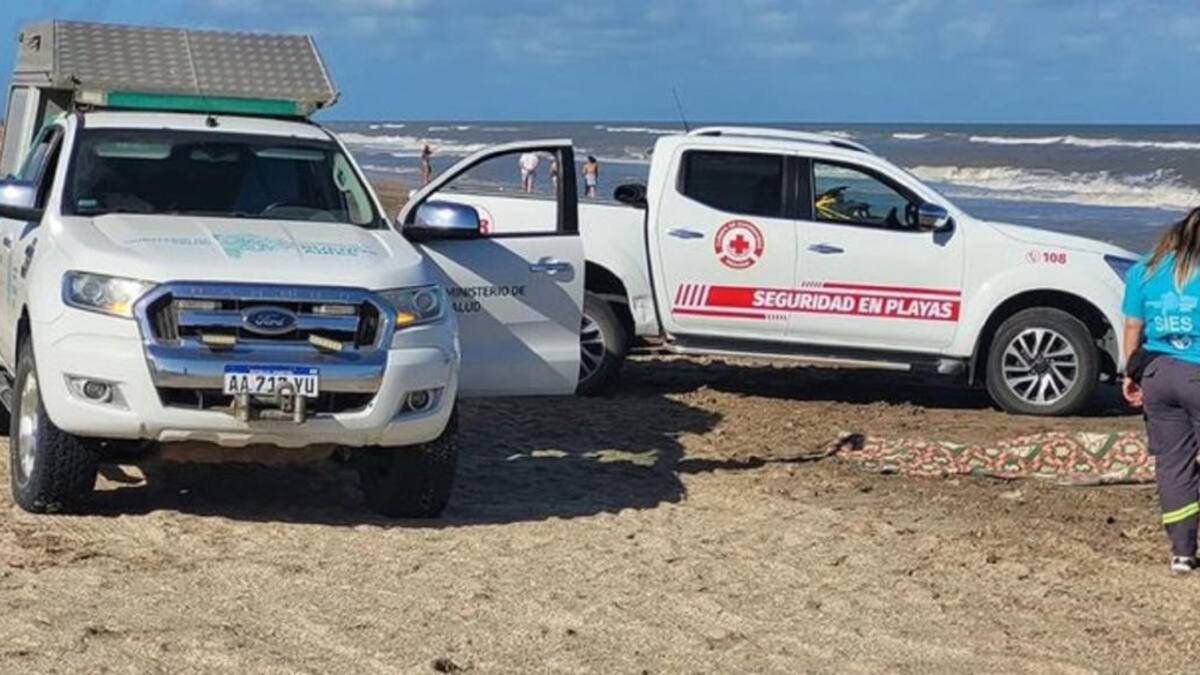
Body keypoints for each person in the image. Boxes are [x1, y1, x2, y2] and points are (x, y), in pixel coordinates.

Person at [1122, 206, 1200, 574]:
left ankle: (1182, 552)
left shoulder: (1145, 269)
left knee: (1173, 464)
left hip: (1157, 373)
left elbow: (1132, 328)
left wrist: (1130, 374)